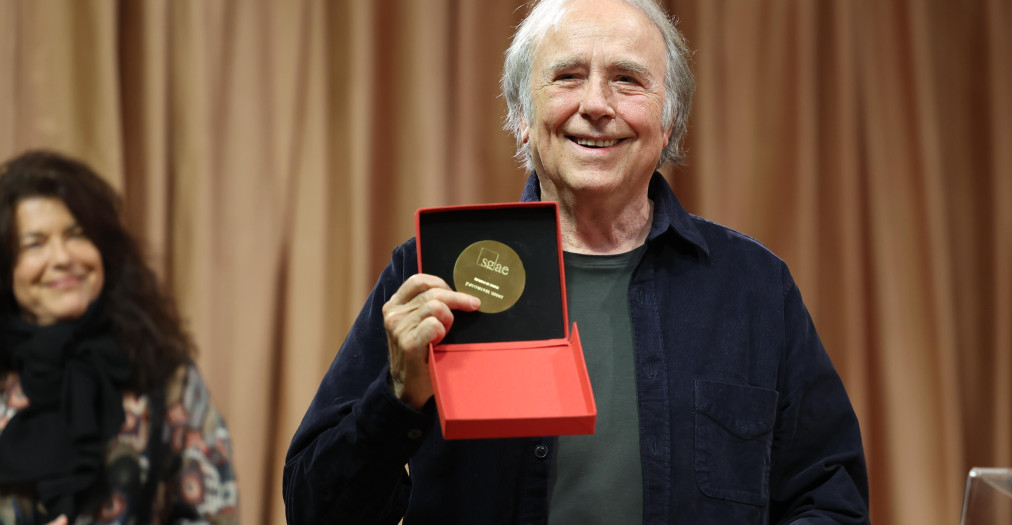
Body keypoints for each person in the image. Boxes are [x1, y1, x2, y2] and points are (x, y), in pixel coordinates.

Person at [284, 0, 869, 522]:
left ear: (669, 122)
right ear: (520, 114)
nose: (596, 104)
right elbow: (314, 508)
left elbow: (830, 496)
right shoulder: (431, 272)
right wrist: (397, 397)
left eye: (627, 80)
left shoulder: (755, 288)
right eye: (567, 77)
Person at [0, 151, 238, 525]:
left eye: (77, 234)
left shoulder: (167, 376)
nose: (62, 257)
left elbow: (215, 512)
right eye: (35, 243)